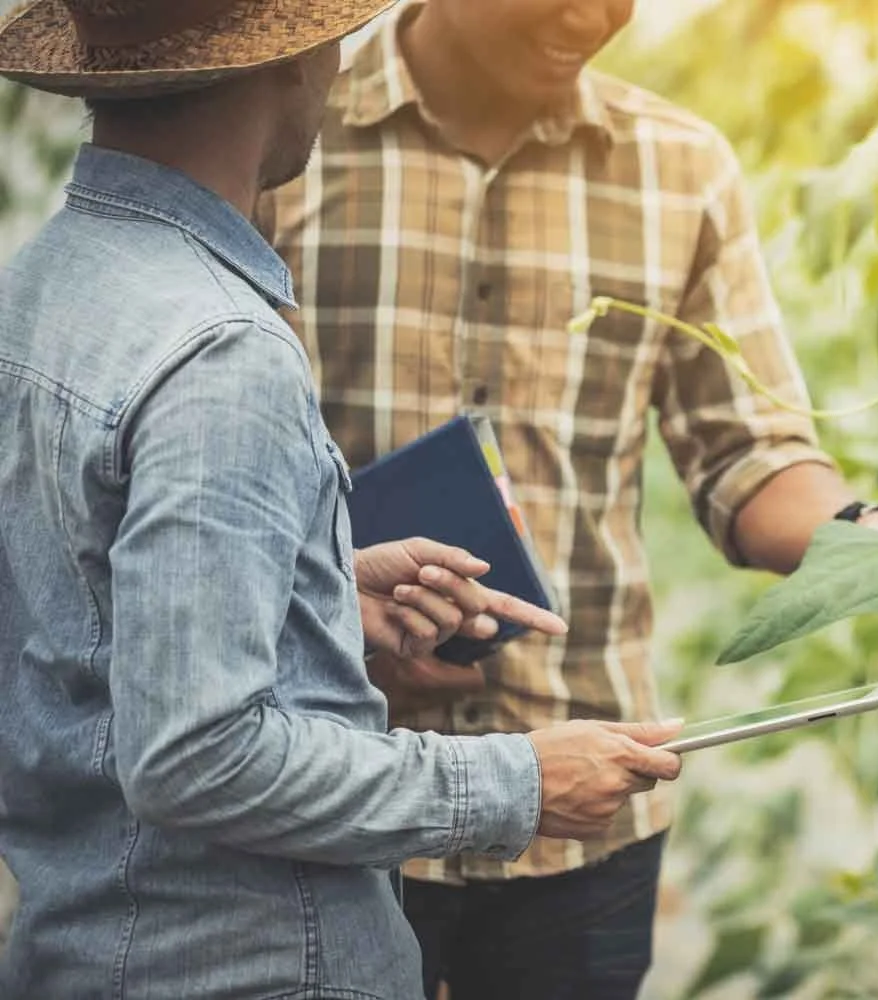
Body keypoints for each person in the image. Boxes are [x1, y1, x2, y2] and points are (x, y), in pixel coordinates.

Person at [261, 1, 878, 996]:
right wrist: (327, 627)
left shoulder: (680, 168)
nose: (593, 16)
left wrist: (869, 533)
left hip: (583, 811)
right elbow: (217, 465)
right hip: (343, 792)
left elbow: (747, 455)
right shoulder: (289, 128)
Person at [0, 1, 683, 997]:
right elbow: (198, 757)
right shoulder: (221, 351)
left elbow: (72, 629)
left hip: (82, 943)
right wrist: (516, 781)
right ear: (292, 61)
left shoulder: (43, 288)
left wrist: (311, 590)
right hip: (249, 964)